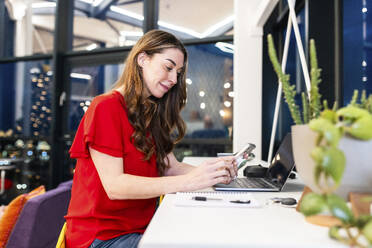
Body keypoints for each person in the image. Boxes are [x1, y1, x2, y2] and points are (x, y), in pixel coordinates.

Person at [65, 30, 237, 248]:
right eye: (168, 67)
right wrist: (189, 182)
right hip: (102, 237)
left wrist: (213, 172)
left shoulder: (150, 113)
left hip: (142, 226)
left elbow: (170, 167)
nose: (174, 79)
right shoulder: (105, 107)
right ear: (143, 59)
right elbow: (115, 186)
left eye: (178, 72)